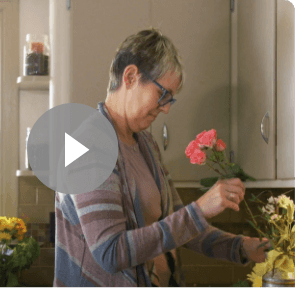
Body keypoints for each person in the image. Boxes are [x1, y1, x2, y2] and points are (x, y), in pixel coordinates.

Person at [53, 28, 271, 287]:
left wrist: (242, 247)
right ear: (131, 77)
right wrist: (199, 209)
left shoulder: (145, 143)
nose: (166, 108)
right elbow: (110, 253)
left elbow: (178, 226)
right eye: (162, 94)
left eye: (170, 99)